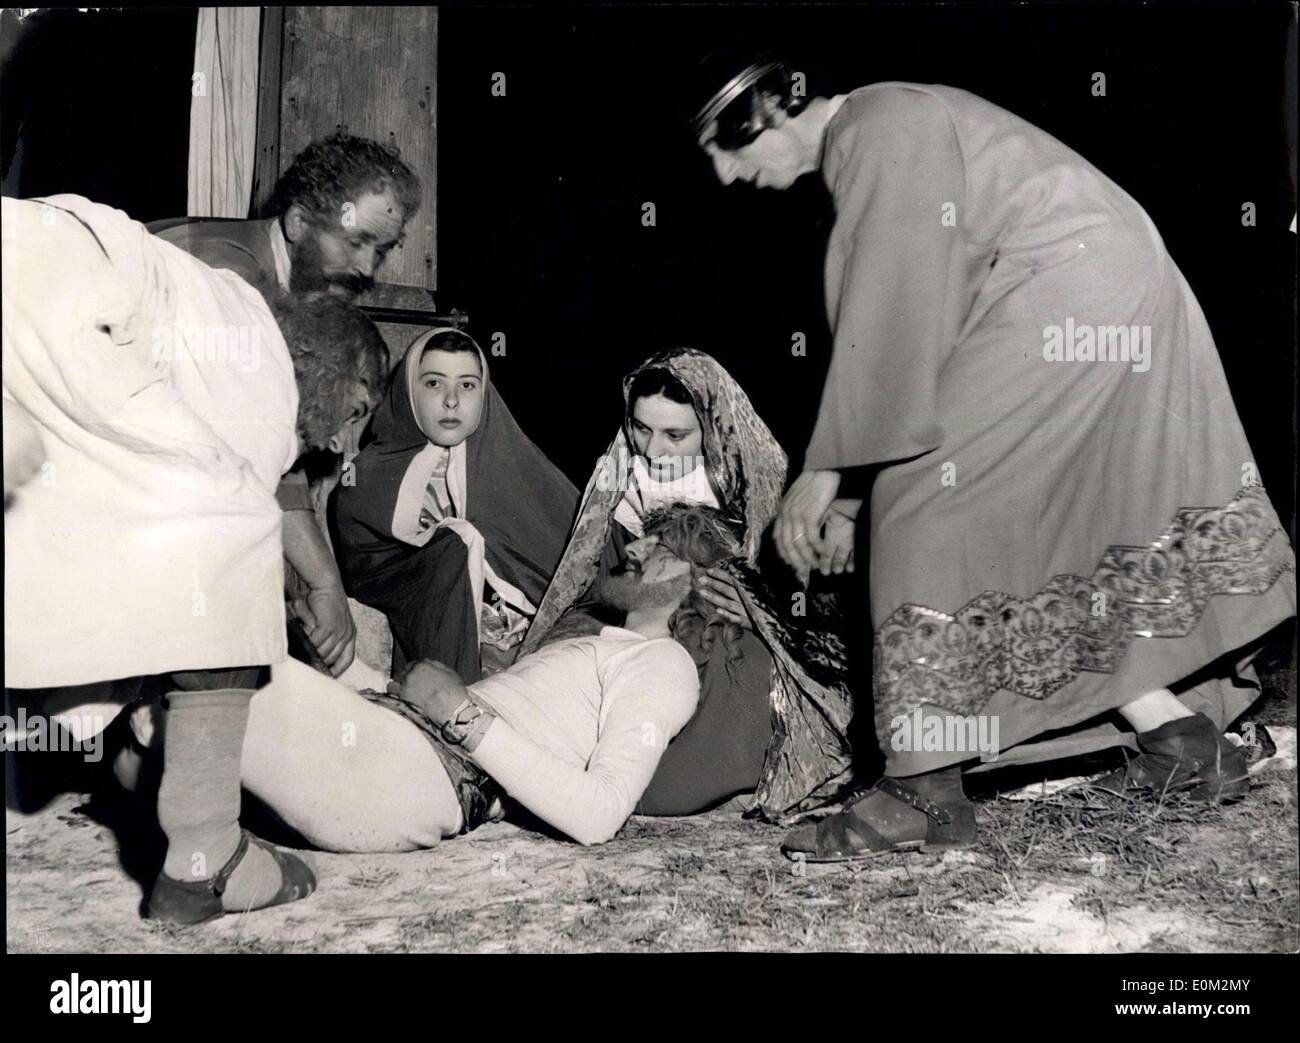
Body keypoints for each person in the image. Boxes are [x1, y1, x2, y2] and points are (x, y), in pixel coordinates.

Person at [689, 56, 1297, 860]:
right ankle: (1183, 741)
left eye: (727, 153)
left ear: (767, 114)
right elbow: (928, 337)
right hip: (1108, 284)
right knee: (1040, 527)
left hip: (1069, 287)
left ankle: (920, 790)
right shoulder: (884, 127)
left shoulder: (875, 125)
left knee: (925, 503)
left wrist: (827, 474)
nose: (730, 178)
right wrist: (849, 497)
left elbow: (893, 302)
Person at [3, 193, 387, 919]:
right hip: (55, 283)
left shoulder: (219, 335)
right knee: (231, 532)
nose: (343, 442)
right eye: (355, 417)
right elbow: (213, 539)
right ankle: (205, 857)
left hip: (35, 267)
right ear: (350, 382)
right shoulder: (260, 359)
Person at [121, 504, 740, 848]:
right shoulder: (592, 644)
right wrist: (347, 668)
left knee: (202, 662)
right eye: (643, 539)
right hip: (395, 743)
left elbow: (600, 813)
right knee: (166, 703)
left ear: (696, 590)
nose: (633, 549)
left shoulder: (665, 665)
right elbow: (429, 707)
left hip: (418, 775)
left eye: (662, 550)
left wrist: (462, 714)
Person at [521, 348, 857, 821]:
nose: (654, 451)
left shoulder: (757, 484)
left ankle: (674, 783)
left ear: (715, 434)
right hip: (636, 628)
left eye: (675, 435)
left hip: (730, 639)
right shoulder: (619, 482)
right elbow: (597, 583)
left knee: (735, 665)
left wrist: (766, 616)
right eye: (641, 429)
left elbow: (814, 604)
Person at [153, 132, 423, 678]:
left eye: (383, 248)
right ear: (298, 223)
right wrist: (322, 581)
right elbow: (247, 453)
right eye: (355, 242)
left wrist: (316, 579)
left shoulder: (273, 278)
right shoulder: (229, 276)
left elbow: (272, 446)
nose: (368, 268)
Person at [332, 328, 578, 682]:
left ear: (484, 394)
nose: (451, 401)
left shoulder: (517, 467)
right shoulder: (367, 477)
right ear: (408, 391)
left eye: (467, 385)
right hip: (450, 655)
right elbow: (367, 570)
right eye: (433, 384)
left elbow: (577, 560)